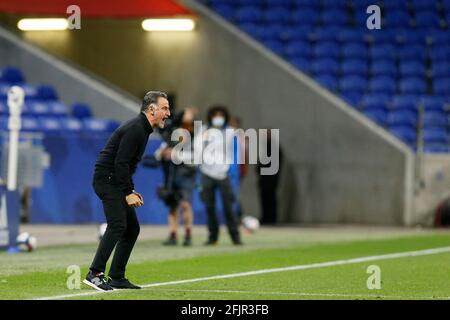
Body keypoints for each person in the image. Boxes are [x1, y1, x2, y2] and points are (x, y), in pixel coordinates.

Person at [84, 91, 170, 291]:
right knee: (117, 225)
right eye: (165, 108)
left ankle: (116, 276)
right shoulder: (136, 129)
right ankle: (94, 274)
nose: (168, 113)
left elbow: (124, 164)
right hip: (108, 180)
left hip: (113, 179)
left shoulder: (142, 128)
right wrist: (128, 191)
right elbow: (120, 163)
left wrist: (129, 189)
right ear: (151, 109)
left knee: (131, 229)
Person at [196, 105, 242, 245]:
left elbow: (236, 153)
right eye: (215, 115)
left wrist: (232, 171)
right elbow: (197, 149)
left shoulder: (230, 132)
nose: (218, 118)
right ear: (210, 117)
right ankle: (212, 237)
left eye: (221, 115)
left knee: (228, 207)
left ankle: (235, 237)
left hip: (223, 174)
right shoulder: (204, 131)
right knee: (209, 207)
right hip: (206, 173)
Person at [155, 107, 197, 246]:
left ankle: (188, 235)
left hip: (186, 173)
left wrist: (175, 154)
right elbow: (162, 149)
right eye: (186, 113)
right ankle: (172, 235)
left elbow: (197, 156)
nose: (187, 115)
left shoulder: (197, 133)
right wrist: (161, 153)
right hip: (172, 173)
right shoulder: (173, 131)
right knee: (172, 204)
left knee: (185, 204)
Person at [256, 129, 283, 225]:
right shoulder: (265, 147)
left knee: (271, 199)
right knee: (265, 199)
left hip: (271, 179)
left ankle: (271, 219)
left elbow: (276, 165)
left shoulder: (275, 148)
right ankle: (266, 218)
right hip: (264, 179)